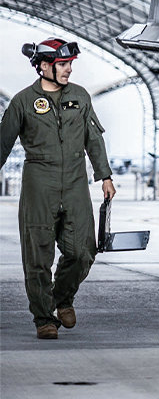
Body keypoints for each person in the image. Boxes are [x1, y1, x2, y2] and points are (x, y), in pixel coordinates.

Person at [1, 38, 116, 340]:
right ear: (43, 66)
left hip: (76, 182)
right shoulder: (23, 102)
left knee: (83, 251)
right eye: (62, 64)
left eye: (69, 64)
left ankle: (61, 299)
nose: (68, 70)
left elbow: (93, 139)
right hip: (39, 181)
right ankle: (43, 318)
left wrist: (104, 175)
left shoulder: (79, 96)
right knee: (37, 255)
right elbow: (2, 144)